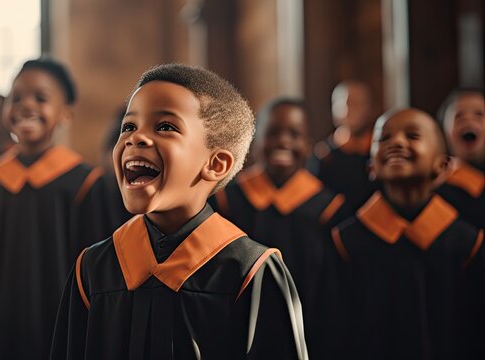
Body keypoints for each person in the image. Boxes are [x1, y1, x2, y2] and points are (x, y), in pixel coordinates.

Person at [51, 64, 308, 360]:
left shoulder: (250, 271)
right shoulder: (93, 269)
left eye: (165, 127)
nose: (136, 138)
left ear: (215, 164)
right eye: (129, 126)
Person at [0, 58, 111, 360]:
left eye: (40, 98)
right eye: (16, 98)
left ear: (66, 112)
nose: (26, 105)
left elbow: (101, 278)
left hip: (67, 342)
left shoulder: (86, 185)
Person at [330, 109, 484, 359]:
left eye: (412, 136)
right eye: (384, 138)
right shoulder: (346, 242)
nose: (397, 143)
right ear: (371, 166)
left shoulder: (467, 244)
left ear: (442, 166)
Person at [210, 98, 346, 356]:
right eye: (272, 133)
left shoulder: (328, 209)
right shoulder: (230, 200)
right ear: (255, 141)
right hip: (239, 333)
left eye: (295, 134)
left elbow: (332, 293)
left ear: (308, 144)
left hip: (312, 334)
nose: (284, 141)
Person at [307, 80, 377, 211]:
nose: (351, 109)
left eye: (358, 103)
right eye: (345, 103)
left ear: (369, 108)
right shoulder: (322, 156)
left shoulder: (378, 154)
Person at [435, 88, 484, 230]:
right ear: (443, 132)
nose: (468, 121)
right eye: (459, 116)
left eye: (479, 115)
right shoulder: (438, 184)